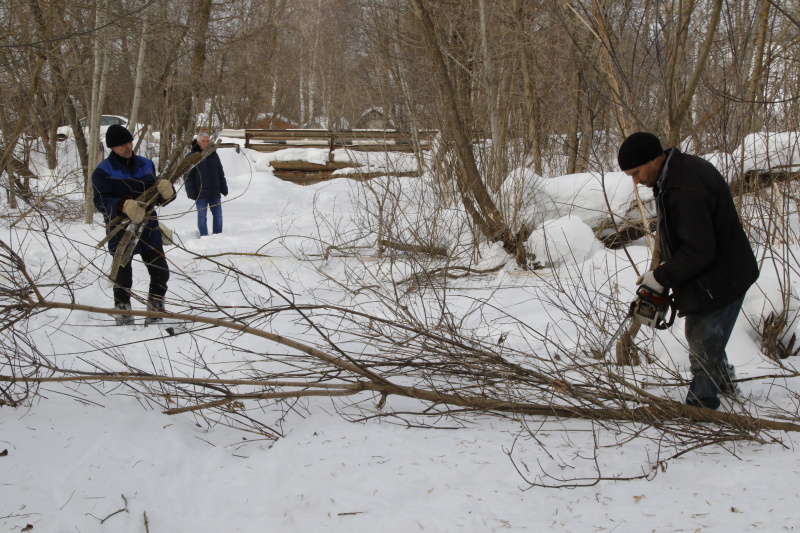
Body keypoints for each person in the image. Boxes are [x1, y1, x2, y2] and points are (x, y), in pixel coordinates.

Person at [617, 132, 759, 410]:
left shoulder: (686, 189)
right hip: (713, 273)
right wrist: (664, 275)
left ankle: (702, 406)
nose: (635, 181)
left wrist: (661, 277)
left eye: (636, 172)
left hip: (724, 275)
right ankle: (725, 383)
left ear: (655, 159)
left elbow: (698, 250)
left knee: (702, 340)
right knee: (704, 334)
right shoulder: (672, 175)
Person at [93, 124, 176, 326]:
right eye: (122, 144)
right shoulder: (103, 171)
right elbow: (100, 201)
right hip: (121, 231)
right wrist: (123, 205)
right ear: (112, 147)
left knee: (161, 272)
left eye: (129, 142)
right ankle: (123, 314)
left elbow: (155, 197)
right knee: (123, 277)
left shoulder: (146, 164)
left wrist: (167, 193)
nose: (127, 146)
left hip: (149, 228)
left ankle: (155, 311)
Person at [185, 132, 228, 236]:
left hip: (214, 192)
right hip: (201, 192)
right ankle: (204, 236)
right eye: (203, 141)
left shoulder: (214, 155)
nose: (205, 143)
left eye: (207, 141)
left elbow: (220, 173)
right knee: (201, 216)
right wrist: (191, 192)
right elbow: (188, 177)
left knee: (218, 215)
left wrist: (223, 188)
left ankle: (217, 236)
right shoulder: (192, 156)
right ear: (198, 142)